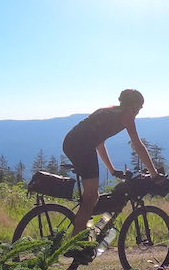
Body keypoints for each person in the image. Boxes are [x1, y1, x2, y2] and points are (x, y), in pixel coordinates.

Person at [61, 88, 161, 238]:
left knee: (89, 196)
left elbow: (99, 143)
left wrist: (112, 170)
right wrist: (154, 174)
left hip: (71, 141)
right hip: (82, 146)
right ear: (132, 105)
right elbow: (138, 146)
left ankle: (83, 233)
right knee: (92, 196)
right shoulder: (127, 116)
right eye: (139, 108)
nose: (139, 111)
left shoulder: (108, 111)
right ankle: (75, 240)